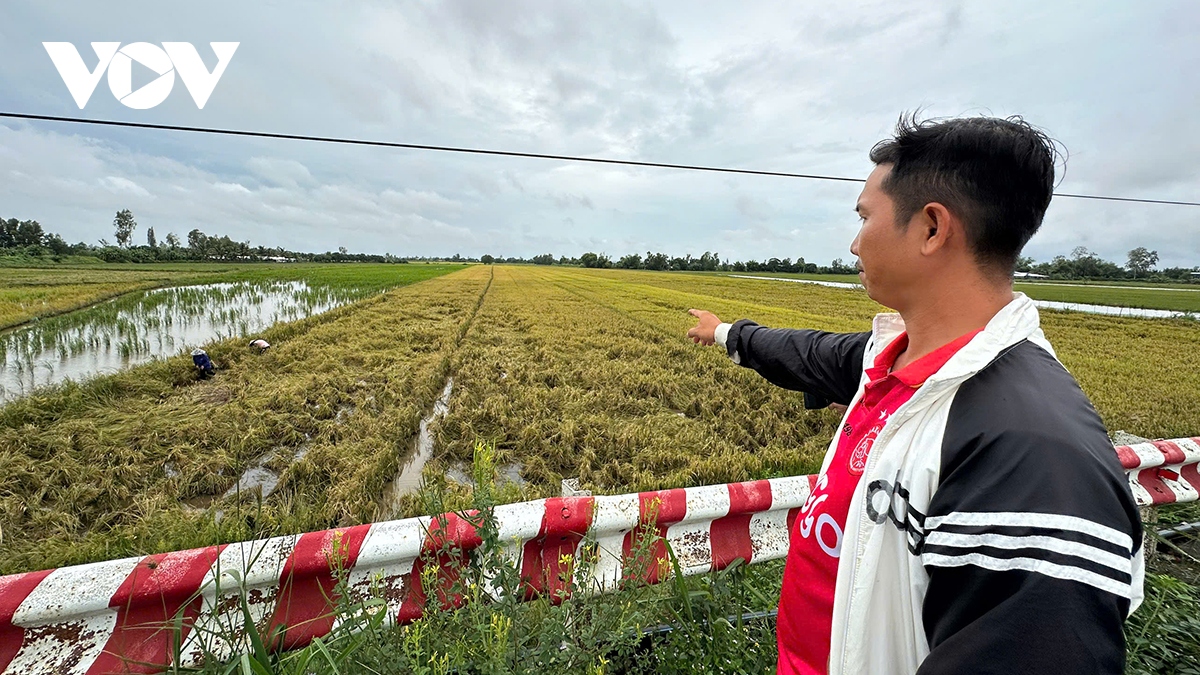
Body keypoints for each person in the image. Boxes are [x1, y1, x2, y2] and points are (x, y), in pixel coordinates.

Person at [687, 115, 1143, 675]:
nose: (855, 244)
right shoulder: (896, 365)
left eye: (864, 217)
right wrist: (726, 333)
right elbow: (807, 353)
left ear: (931, 228)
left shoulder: (1033, 453)